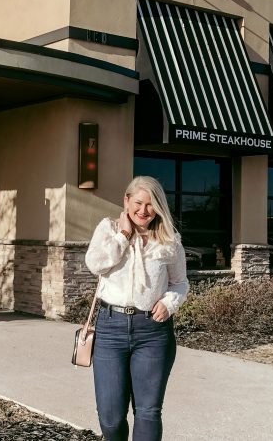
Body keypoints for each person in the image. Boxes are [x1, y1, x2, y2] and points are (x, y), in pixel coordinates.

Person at [85, 176, 189, 441]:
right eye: (138, 203)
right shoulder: (108, 229)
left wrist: (168, 304)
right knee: (110, 417)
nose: (143, 211)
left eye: (151, 205)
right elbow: (95, 264)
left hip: (153, 333)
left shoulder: (169, 240)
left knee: (148, 412)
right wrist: (123, 235)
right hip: (110, 329)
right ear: (126, 201)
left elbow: (180, 284)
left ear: (159, 207)